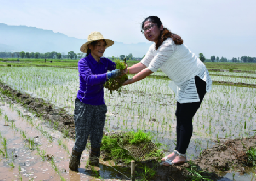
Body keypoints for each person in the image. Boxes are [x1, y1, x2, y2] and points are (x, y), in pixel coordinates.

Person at [123, 16, 212, 166]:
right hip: (184, 82)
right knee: (180, 114)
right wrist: (125, 71)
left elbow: (150, 69)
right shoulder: (155, 47)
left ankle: (181, 155)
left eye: (150, 26)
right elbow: (142, 64)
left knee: (184, 116)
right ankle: (177, 152)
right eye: (144, 29)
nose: (147, 31)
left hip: (196, 79)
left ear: (160, 26)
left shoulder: (168, 44)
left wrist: (129, 81)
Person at [69, 31, 122, 171]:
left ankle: (94, 164)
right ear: (90, 47)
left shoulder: (105, 62)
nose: (102, 48)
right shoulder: (83, 63)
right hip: (84, 105)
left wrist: (123, 70)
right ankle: (73, 168)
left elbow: (118, 68)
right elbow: (89, 79)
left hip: (99, 105)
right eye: (98, 45)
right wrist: (109, 75)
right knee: (81, 138)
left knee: (97, 136)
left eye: (103, 45)